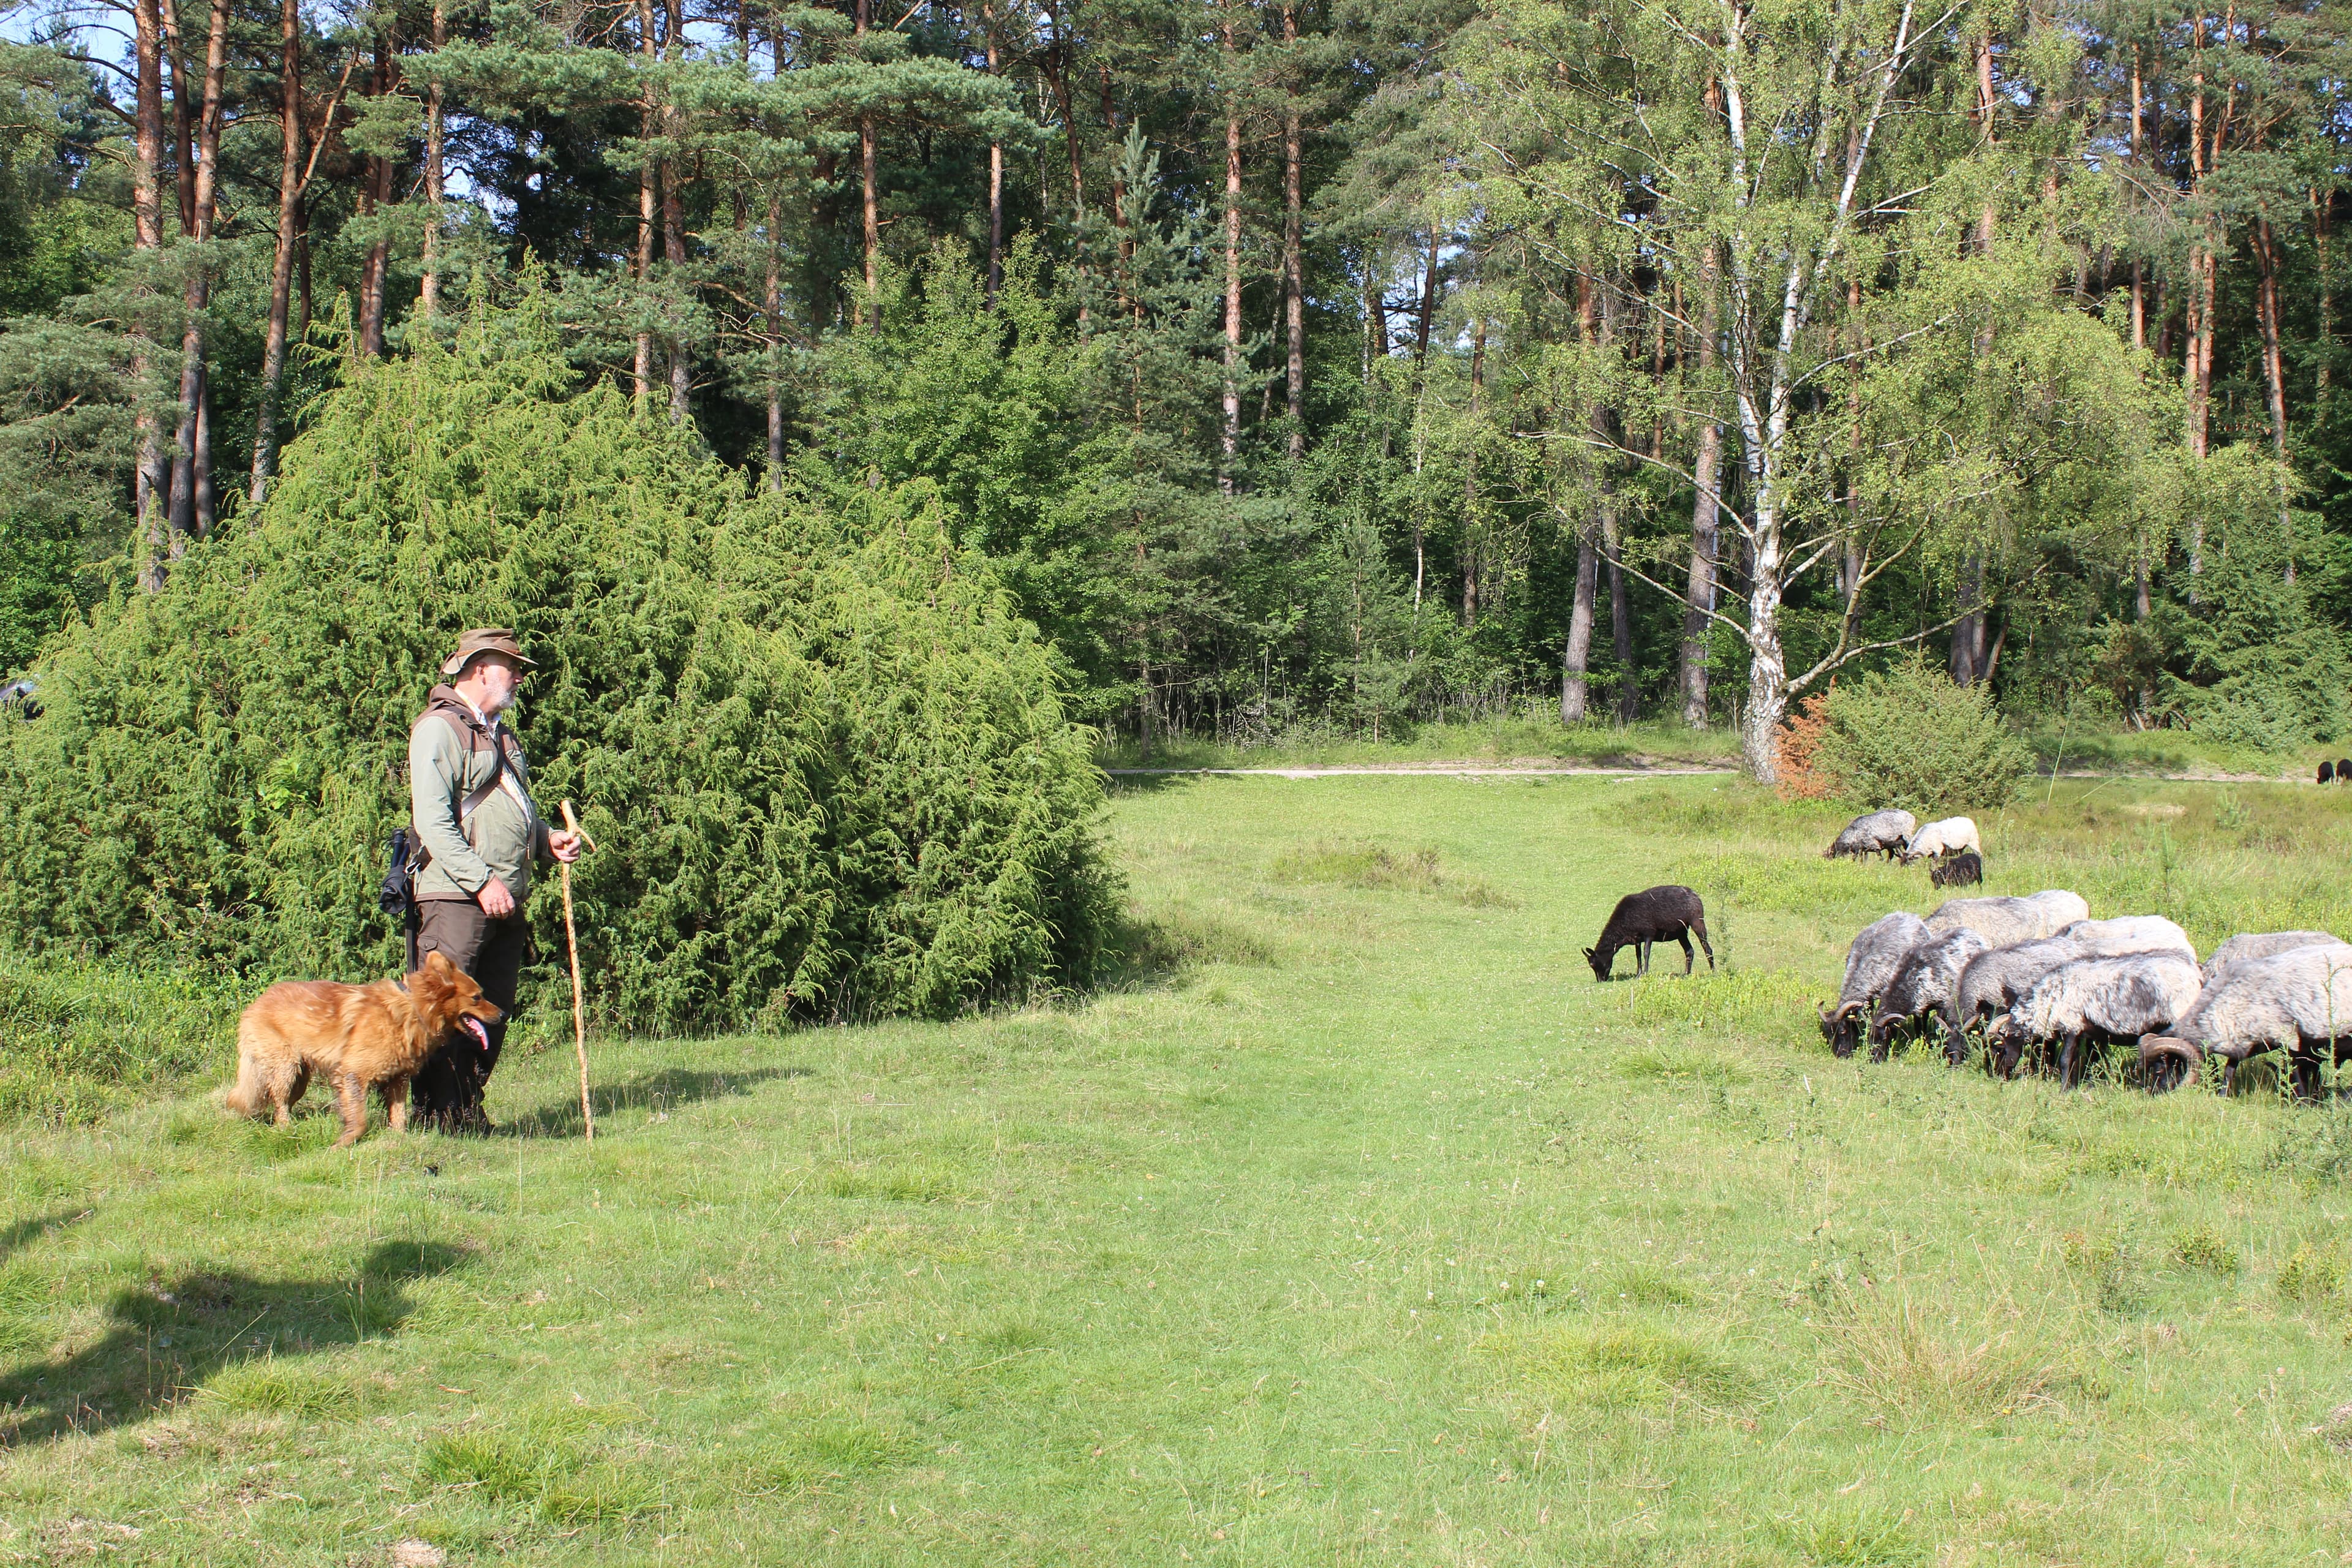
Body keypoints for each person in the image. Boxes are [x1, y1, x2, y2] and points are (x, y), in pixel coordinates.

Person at [404, 628, 581, 1131]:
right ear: (480, 669)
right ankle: (432, 1119)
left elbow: (514, 810)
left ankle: (464, 1112)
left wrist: (546, 840)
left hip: (504, 895)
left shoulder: (500, 732)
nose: (521, 676)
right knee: (443, 1014)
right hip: (457, 898)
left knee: (491, 1010)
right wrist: (482, 882)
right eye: (512, 667)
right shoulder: (440, 729)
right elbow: (433, 823)